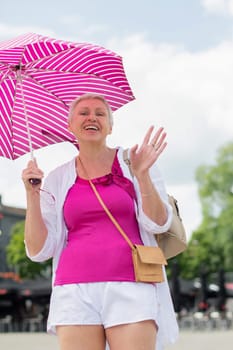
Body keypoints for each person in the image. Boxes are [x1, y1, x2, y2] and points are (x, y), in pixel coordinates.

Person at [22, 93, 179, 350]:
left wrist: (142, 176)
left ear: (110, 125)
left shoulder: (135, 163)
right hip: (73, 290)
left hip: (132, 284)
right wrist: (32, 195)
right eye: (83, 113)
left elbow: (159, 224)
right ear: (70, 125)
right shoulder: (56, 179)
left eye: (100, 113)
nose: (92, 117)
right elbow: (39, 251)